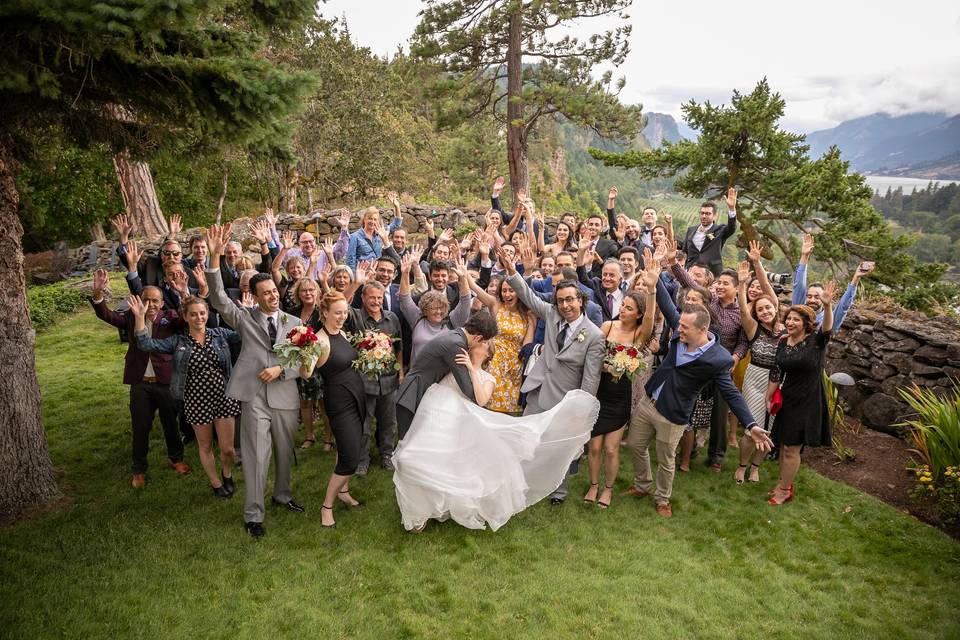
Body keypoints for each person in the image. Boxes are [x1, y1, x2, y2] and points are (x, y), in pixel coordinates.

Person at [392, 336, 599, 532]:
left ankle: (436, 508)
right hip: (437, 418)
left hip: (461, 424)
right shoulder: (455, 363)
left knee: (451, 468)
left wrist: (473, 370)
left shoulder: (488, 377)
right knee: (417, 459)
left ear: (487, 352)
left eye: (484, 343)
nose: (479, 343)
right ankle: (419, 510)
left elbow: (481, 399)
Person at [624, 284, 770, 518]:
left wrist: (751, 425)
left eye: (684, 327)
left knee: (666, 459)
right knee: (635, 445)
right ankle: (643, 485)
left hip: (672, 414)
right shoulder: (679, 332)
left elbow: (732, 393)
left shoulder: (718, 359)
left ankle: (663, 499)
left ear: (702, 329)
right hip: (647, 402)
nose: (678, 329)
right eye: (679, 324)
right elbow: (669, 306)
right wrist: (657, 275)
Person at [204, 223, 304, 540]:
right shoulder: (244, 319)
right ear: (256, 297)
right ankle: (253, 514)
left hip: (285, 394)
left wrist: (281, 370)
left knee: (285, 452)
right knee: (258, 455)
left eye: (275, 292)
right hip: (255, 396)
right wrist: (214, 257)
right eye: (266, 294)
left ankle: (283, 495)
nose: (273, 297)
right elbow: (218, 298)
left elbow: (304, 360)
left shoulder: (294, 323)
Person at [502, 249, 605, 505]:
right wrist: (514, 272)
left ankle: (557, 492)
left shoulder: (593, 336)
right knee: (526, 440)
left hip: (564, 399)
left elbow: (591, 378)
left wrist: (580, 410)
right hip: (538, 391)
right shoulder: (551, 315)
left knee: (560, 448)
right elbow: (527, 295)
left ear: (581, 300)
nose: (565, 305)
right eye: (561, 301)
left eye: (570, 300)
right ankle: (521, 483)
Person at [131, 291, 241, 499]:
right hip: (196, 400)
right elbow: (146, 344)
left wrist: (246, 311)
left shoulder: (220, 334)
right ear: (185, 316)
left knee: (227, 449)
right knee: (205, 445)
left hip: (224, 397)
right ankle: (216, 483)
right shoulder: (178, 342)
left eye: (202, 313)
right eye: (193, 314)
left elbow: (245, 332)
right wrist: (139, 318)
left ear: (207, 313)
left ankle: (227, 474)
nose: (199, 318)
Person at [89, 270, 190, 488]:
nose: (151, 304)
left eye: (155, 301)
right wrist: (98, 293)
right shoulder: (131, 317)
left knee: (170, 425)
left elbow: (186, 321)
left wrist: (183, 294)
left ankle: (177, 459)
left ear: (162, 303)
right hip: (140, 383)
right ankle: (139, 469)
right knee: (140, 427)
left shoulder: (170, 318)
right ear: (139, 301)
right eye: (147, 300)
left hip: (165, 383)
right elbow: (106, 315)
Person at [584, 257, 659, 510]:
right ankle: (593, 485)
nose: (623, 310)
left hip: (619, 396)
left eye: (629, 308)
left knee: (612, 449)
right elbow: (592, 354)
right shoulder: (607, 326)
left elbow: (650, 318)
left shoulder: (639, 334)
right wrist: (605, 366)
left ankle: (608, 489)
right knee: (594, 446)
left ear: (637, 314)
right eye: (623, 306)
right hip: (599, 391)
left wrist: (652, 289)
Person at [765, 284, 837, 505]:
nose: (790, 322)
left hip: (808, 400)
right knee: (784, 444)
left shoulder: (816, 341)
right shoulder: (783, 341)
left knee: (792, 448)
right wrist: (769, 397)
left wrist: (827, 304)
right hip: (787, 397)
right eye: (788, 319)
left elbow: (827, 328)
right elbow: (777, 371)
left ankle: (784, 490)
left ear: (806, 324)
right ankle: (782, 483)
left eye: (796, 319)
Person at [395, 310, 500, 439]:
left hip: (419, 392)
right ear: (477, 337)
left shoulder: (454, 335)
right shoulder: (456, 345)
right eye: (483, 342)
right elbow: (468, 389)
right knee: (407, 443)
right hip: (413, 394)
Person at [313, 291, 369, 528]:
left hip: (356, 397)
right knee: (351, 458)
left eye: (345, 312)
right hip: (339, 404)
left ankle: (344, 491)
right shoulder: (318, 341)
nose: (343, 316)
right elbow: (307, 373)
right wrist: (305, 357)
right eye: (337, 313)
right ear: (324, 313)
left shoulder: (342, 334)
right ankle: (326, 507)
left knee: (347, 448)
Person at [345, 280, 404, 474]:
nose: (376, 301)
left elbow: (398, 347)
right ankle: (362, 460)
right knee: (364, 422)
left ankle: (387, 455)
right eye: (372, 297)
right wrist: (355, 283)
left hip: (389, 379)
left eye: (379, 297)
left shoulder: (392, 318)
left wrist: (400, 370)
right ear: (363, 298)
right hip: (364, 380)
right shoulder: (355, 316)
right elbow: (341, 304)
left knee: (389, 421)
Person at [464, 266, 535, 415]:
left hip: (514, 366)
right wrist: (463, 271)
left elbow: (527, 345)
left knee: (508, 411)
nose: (507, 294)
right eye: (504, 290)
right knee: (488, 406)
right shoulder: (496, 305)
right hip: (493, 361)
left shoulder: (528, 314)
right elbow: (474, 287)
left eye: (511, 290)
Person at [398, 253, 471, 363]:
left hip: (443, 376)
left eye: (441, 307)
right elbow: (405, 299)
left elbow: (465, 302)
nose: (438, 311)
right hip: (418, 375)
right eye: (433, 307)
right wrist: (405, 273)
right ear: (425, 308)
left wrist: (463, 278)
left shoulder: (452, 320)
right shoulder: (417, 319)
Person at [791, 233, 872, 332]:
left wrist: (856, 277)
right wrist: (804, 256)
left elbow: (843, 307)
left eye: (817, 297)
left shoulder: (829, 319)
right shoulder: (798, 311)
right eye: (809, 296)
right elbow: (799, 285)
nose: (812, 300)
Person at [288, 278, 326, 450]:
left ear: (317, 292)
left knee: (324, 401)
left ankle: (328, 438)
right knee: (305, 402)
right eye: (304, 291)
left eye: (311, 290)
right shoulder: (291, 313)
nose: (308, 293)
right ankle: (309, 436)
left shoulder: (323, 312)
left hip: (321, 363)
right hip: (300, 364)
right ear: (298, 294)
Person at [680, 187, 738, 276]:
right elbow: (684, 251)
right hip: (691, 272)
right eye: (702, 213)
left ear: (714, 216)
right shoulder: (691, 230)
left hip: (712, 272)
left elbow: (731, 228)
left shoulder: (720, 230)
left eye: (707, 214)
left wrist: (731, 209)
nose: (704, 216)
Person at [345, 196, 403, 271]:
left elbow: (396, 224)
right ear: (365, 219)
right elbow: (350, 260)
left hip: (378, 273)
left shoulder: (381, 233)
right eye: (370, 218)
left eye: (375, 219)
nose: (372, 222)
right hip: (363, 274)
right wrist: (353, 279)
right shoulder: (355, 237)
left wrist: (397, 206)